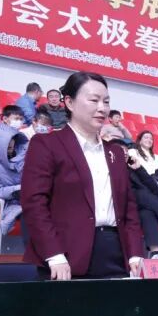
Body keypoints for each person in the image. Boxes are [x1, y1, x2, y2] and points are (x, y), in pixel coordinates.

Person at [21, 71, 144, 280]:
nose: (102, 108)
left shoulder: (115, 152)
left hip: (116, 257)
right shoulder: (47, 145)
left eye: (106, 102)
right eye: (94, 100)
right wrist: (54, 255)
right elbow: (34, 203)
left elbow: (128, 207)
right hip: (65, 259)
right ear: (69, 102)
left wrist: (135, 253)